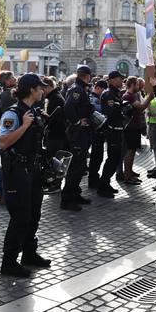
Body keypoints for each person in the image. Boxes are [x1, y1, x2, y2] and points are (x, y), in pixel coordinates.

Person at [0, 73, 51, 278]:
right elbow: (3, 142)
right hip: (18, 174)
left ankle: (29, 254)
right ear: (31, 89)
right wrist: (25, 126)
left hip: (34, 172)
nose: (42, 91)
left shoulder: (33, 111)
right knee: (20, 218)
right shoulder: (13, 114)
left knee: (33, 216)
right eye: (40, 88)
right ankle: (8, 262)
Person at [61, 65, 95, 210]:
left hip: (82, 132)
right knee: (75, 167)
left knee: (80, 166)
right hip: (77, 133)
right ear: (86, 76)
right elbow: (68, 107)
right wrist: (77, 121)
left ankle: (75, 194)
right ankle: (67, 199)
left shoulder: (81, 88)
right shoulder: (77, 89)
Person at [97, 71, 127, 198]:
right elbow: (109, 112)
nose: (122, 82)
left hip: (118, 128)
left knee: (115, 158)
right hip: (112, 129)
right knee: (112, 158)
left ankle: (106, 183)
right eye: (120, 79)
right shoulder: (109, 94)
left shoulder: (115, 93)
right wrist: (120, 110)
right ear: (113, 80)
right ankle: (103, 185)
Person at [121, 77, 152, 184]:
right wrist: (150, 97)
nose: (139, 87)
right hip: (131, 128)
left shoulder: (131, 95)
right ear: (133, 84)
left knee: (133, 150)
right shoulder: (128, 96)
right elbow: (141, 107)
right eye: (138, 84)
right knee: (130, 151)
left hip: (134, 127)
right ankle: (127, 176)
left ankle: (129, 172)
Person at [87, 80, 107, 189]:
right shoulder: (93, 99)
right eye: (103, 89)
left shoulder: (97, 98)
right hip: (94, 131)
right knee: (96, 157)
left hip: (97, 131)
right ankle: (93, 179)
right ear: (98, 88)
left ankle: (94, 177)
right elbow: (97, 111)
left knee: (98, 157)